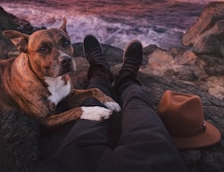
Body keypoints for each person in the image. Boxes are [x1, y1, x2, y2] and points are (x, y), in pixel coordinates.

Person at [37, 35, 188, 172]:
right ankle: (127, 79)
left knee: (93, 102)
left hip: (74, 163)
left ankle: (100, 72)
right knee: (138, 103)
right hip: (153, 162)